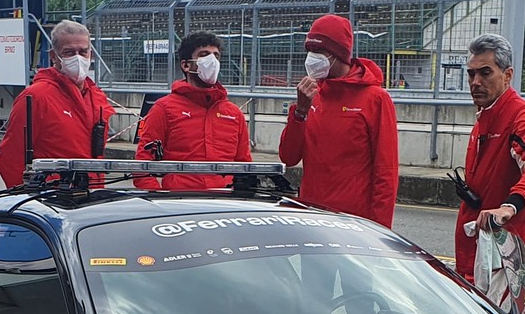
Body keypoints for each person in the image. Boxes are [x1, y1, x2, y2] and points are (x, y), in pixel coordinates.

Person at [277, 14, 399, 228]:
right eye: (309, 52)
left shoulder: (375, 98)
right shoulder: (312, 95)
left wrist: (379, 231)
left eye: (319, 52)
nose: (312, 58)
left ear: (337, 54)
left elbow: (386, 173)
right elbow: (288, 158)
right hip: (312, 217)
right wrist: (300, 112)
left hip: (352, 223)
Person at [452, 33, 525, 283]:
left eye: (485, 73)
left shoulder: (520, 116)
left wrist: (509, 206)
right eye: (471, 74)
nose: (475, 81)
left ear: (507, 75)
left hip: (504, 258)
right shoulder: (485, 113)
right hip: (477, 250)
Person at [0, 19, 116, 189]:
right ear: (54, 56)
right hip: (52, 201)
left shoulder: (96, 97)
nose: (78, 57)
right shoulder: (35, 97)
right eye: (69, 52)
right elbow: (11, 158)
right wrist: (28, 200)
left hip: (89, 197)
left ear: (91, 54)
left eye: (83, 51)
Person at [134, 31, 251, 191]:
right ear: (185, 65)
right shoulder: (164, 109)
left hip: (225, 203)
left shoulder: (234, 114)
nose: (212, 61)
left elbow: (245, 165)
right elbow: (144, 160)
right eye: (204, 55)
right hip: (180, 205)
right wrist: (159, 199)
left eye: (216, 56)